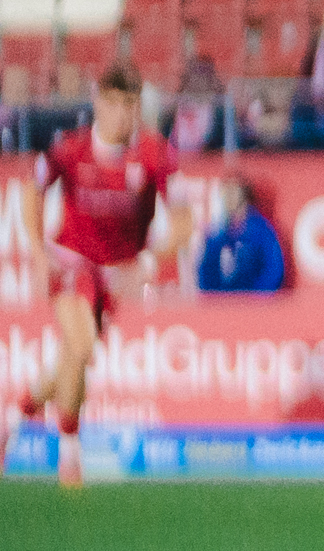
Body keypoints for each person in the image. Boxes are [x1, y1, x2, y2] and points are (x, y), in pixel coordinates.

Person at [14, 66, 183, 486]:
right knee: (81, 344)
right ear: (99, 105)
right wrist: (37, 252)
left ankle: (14, 414)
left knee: (75, 358)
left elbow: (184, 219)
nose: (125, 115)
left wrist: (147, 263)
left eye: (132, 105)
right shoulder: (69, 149)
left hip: (114, 273)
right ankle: (69, 455)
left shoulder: (154, 153)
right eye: (117, 105)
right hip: (71, 259)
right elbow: (30, 191)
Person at [194, 175, 287, 294]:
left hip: (254, 305)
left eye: (233, 192)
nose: (228, 197)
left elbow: (273, 269)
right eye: (225, 192)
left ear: (243, 195)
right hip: (223, 306)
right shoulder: (217, 233)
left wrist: (255, 298)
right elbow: (206, 271)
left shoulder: (261, 230)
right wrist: (217, 298)